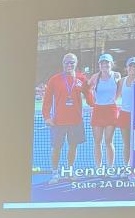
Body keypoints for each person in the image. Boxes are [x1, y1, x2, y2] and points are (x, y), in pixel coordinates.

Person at [41, 53, 90, 184]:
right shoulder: (54, 79)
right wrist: (46, 117)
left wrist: (92, 86)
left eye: (72, 62)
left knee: (73, 147)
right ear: (63, 63)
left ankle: (70, 171)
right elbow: (46, 101)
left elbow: (90, 100)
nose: (69, 65)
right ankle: (55, 173)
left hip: (76, 121)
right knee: (56, 148)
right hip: (58, 122)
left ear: (76, 63)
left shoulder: (82, 79)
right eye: (67, 62)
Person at [87, 53, 120, 168]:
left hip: (111, 110)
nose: (104, 65)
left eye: (107, 62)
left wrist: (113, 100)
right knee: (97, 141)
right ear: (99, 65)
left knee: (108, 141)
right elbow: (87, 89)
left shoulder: (116, 76)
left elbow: (120, 90)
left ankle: (110, 167)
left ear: (111, 64)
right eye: (102, 63)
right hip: (98, 111)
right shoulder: (95, 77)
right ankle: (98, 167)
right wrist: (92, 101)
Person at [118, 57, 135, 167]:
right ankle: (127, 166)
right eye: (130, 65)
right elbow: (114, 96)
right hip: (124, 115)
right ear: (126, 68)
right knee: (127, 144)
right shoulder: (121, 81)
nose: (133, 68)